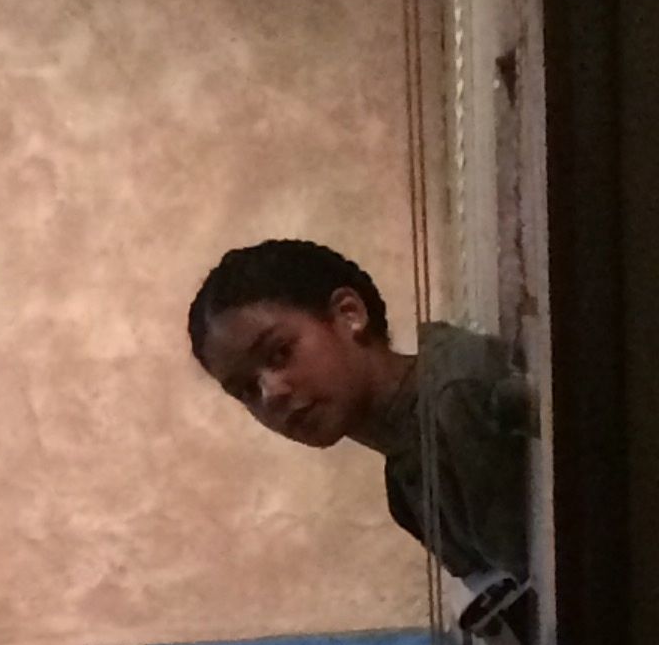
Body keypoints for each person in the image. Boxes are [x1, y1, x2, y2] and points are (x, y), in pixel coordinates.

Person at [186, 237, 534, 594]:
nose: (271, 394)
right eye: (246, 389)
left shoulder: (457, 397)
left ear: (349, 314)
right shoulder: (404, 479)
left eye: (280, 353)